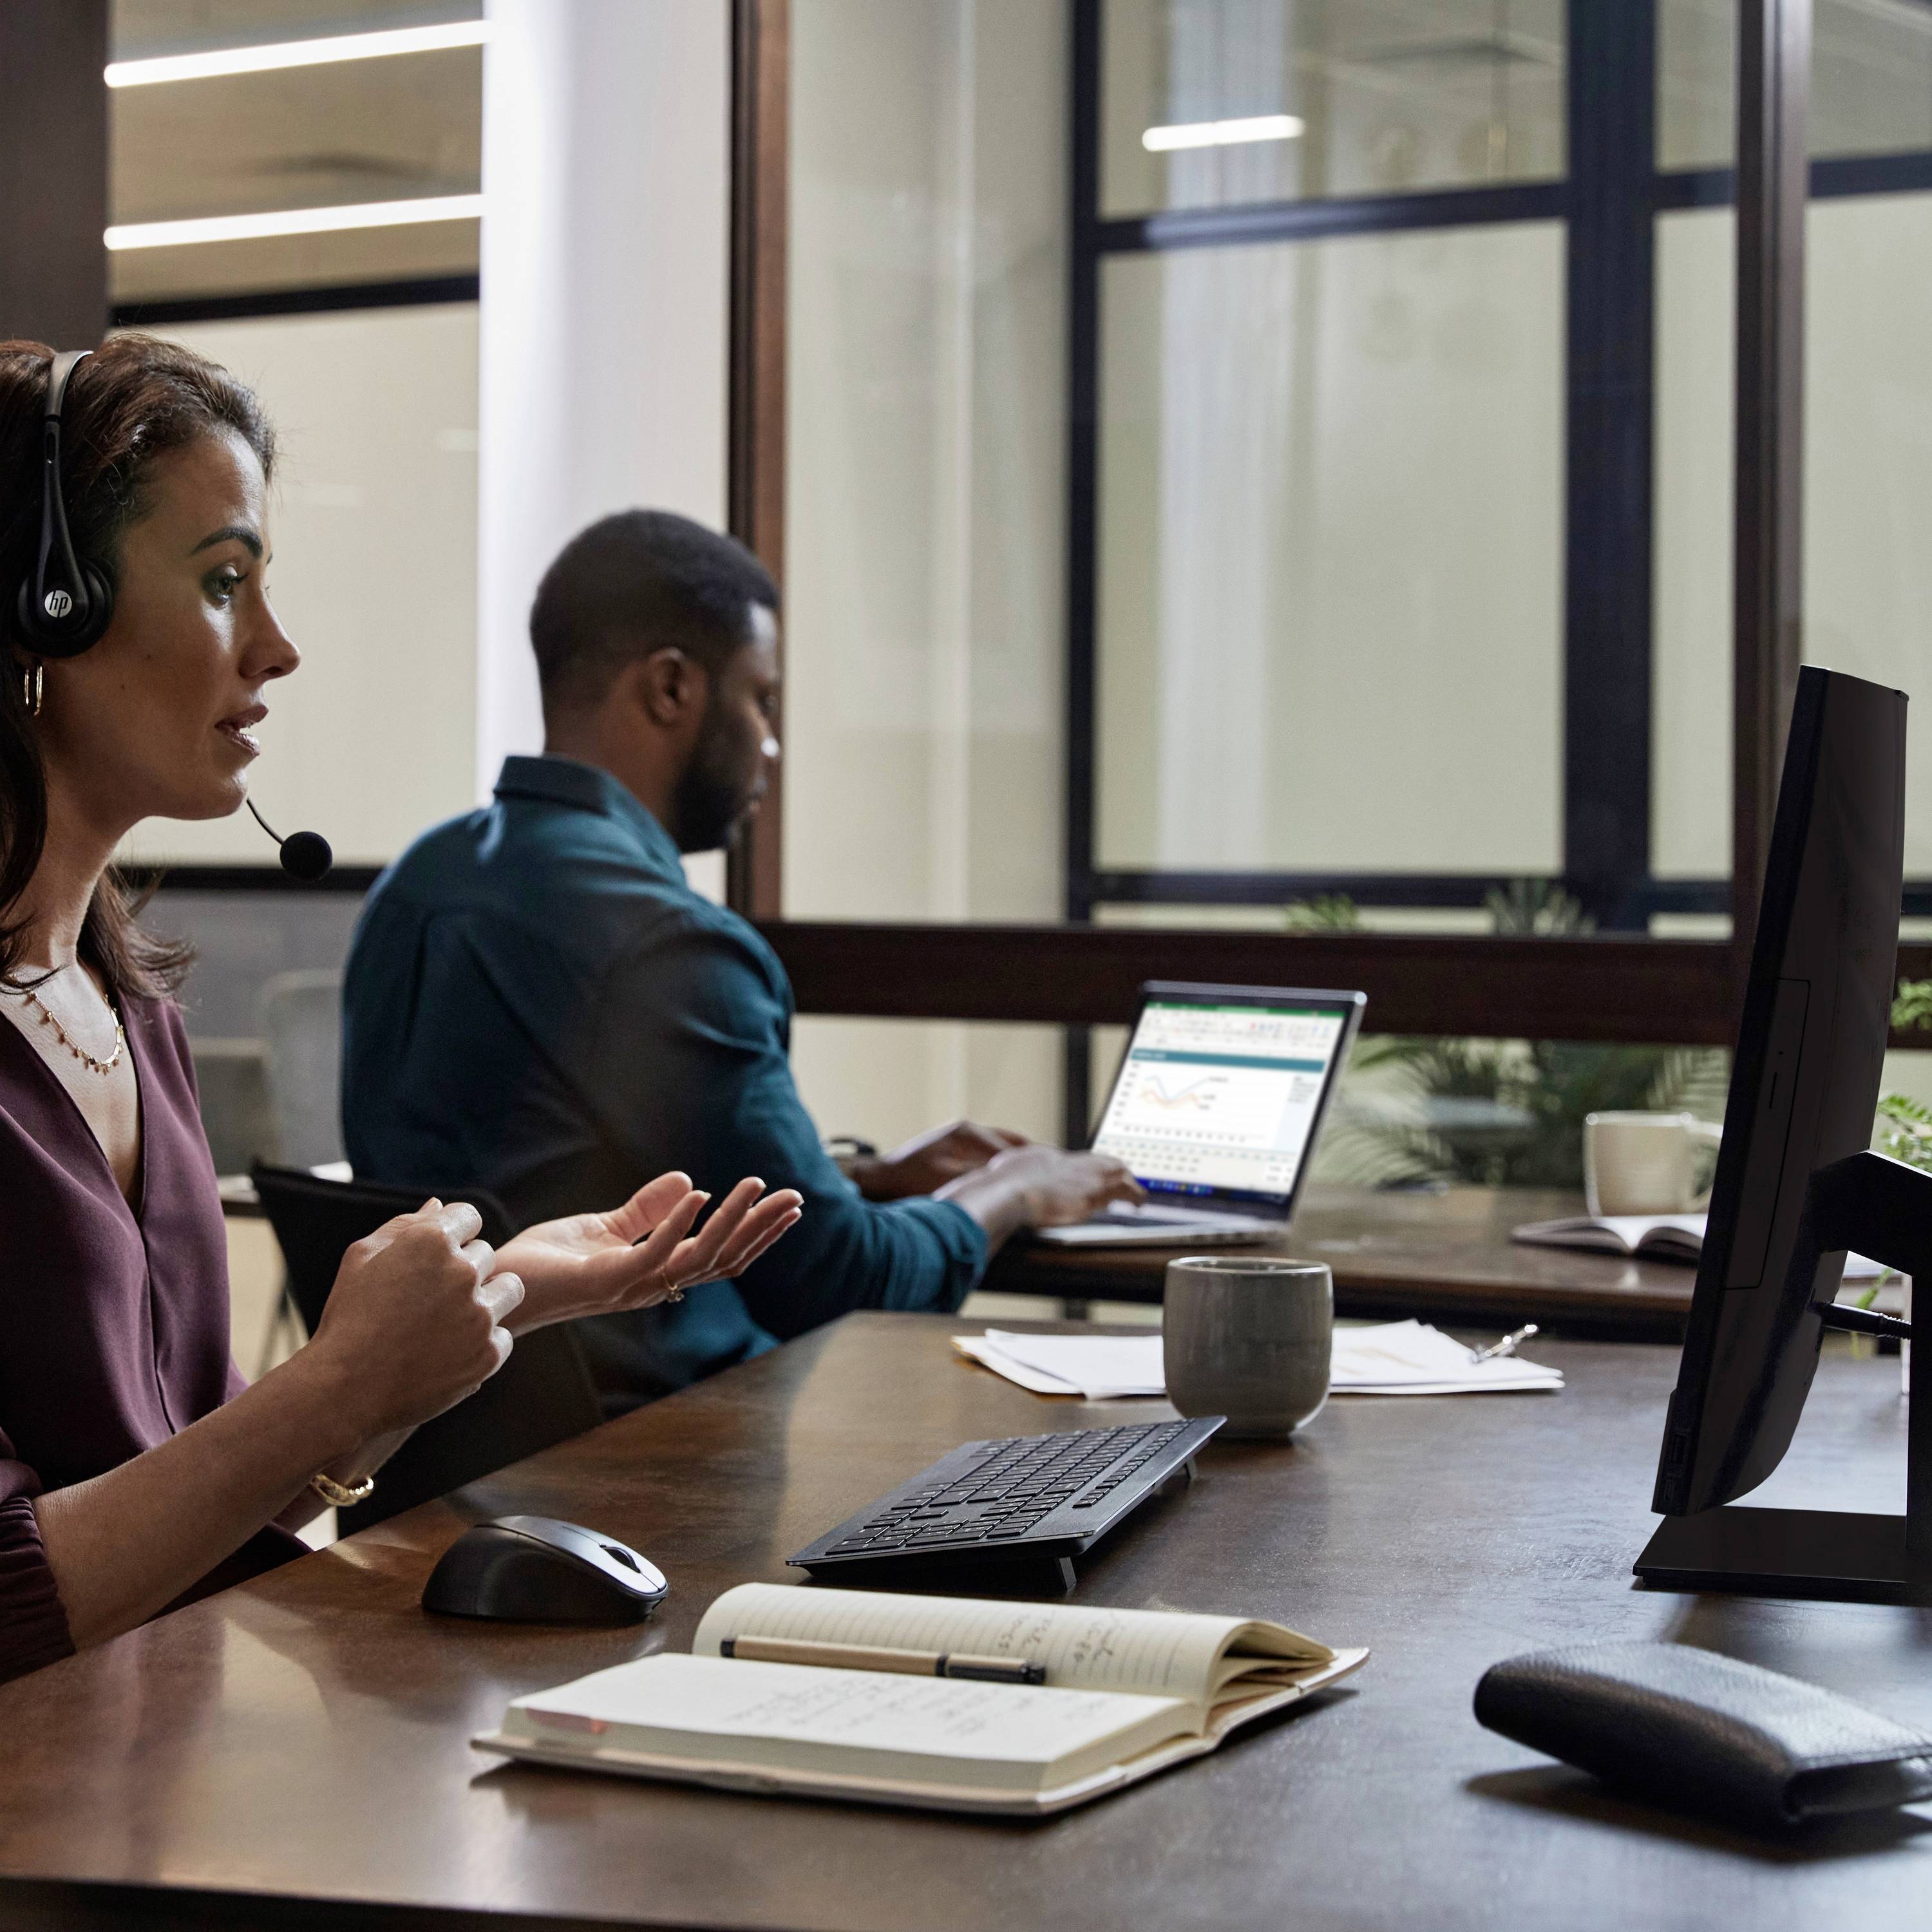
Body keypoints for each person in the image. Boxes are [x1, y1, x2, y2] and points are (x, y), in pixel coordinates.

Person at [0, 340, 800, 1687]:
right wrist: (333, 1387)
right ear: (48, 608)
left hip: (161, 1767)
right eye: (221, 583)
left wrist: (488, 1311)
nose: (277, 645)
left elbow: (191, 1484)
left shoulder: (128, 1015)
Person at [341, 509, 1141, 1410]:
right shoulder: (668, 940)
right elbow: (845, 1279)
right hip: (648, 1472)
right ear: (672, 688)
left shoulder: (420, 879)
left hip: (430, 1458)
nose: (770, 745)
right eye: (761, 700)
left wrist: (862, 1177)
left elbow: (546, 1157)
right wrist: (1014, 1187)